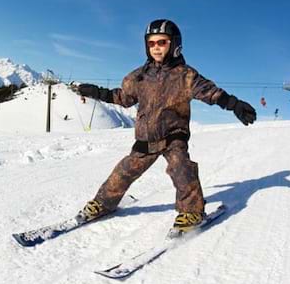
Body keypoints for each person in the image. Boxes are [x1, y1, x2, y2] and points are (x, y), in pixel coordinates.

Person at [76, 19, 256, 232]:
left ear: (174, 44)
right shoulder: (139, 76)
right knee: (124, 171)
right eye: (151, 43)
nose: (156, 48)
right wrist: (97, 92)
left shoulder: (185, 75)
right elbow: (123, 97)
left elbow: (210, 92)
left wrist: (234, 104)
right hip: (146, 138)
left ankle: (192, 212)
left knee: (181, 168)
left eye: (162, 42)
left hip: (173, 136)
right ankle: (103, 203)